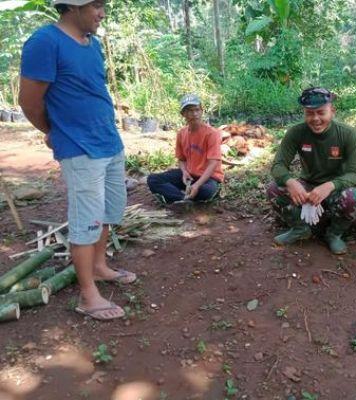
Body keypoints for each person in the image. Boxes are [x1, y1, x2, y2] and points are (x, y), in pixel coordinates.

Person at [19, 0, 136, 320]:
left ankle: (99, 266)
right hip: (79, 147)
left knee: (108, 210)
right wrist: (53, 130)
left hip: (108, 141)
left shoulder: (92, 43)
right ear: (72, 7)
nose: (102, 13)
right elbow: (29, 102)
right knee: (86, 221)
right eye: (96, 6)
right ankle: (88, 296)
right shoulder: (45, 42)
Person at [267, 87, 356, 255]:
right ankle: (300, 228)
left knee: (352, 198)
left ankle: (334, 234)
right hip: (308, 186)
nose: (315, 119)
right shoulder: (296, 133)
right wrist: (291, 182)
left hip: (336, 188)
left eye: (321, 112)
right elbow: (278, 165)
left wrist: (330, 186)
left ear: (332, 111)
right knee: (274, 189)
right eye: (309, 113)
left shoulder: (348, 134)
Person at [147, 94, 223, 205]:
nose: (194, 114)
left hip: (208, 178)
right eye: (190, 111)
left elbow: (213, 163)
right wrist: (184, 172)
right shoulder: (181, 134)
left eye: (197, 110)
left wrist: (197, 185)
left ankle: (181, 195)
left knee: (206, 191)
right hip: (190, 177)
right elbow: (181, 159)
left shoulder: (212, 133)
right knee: (153, 179)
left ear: (201, 111)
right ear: (183, 114)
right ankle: (183, 198)